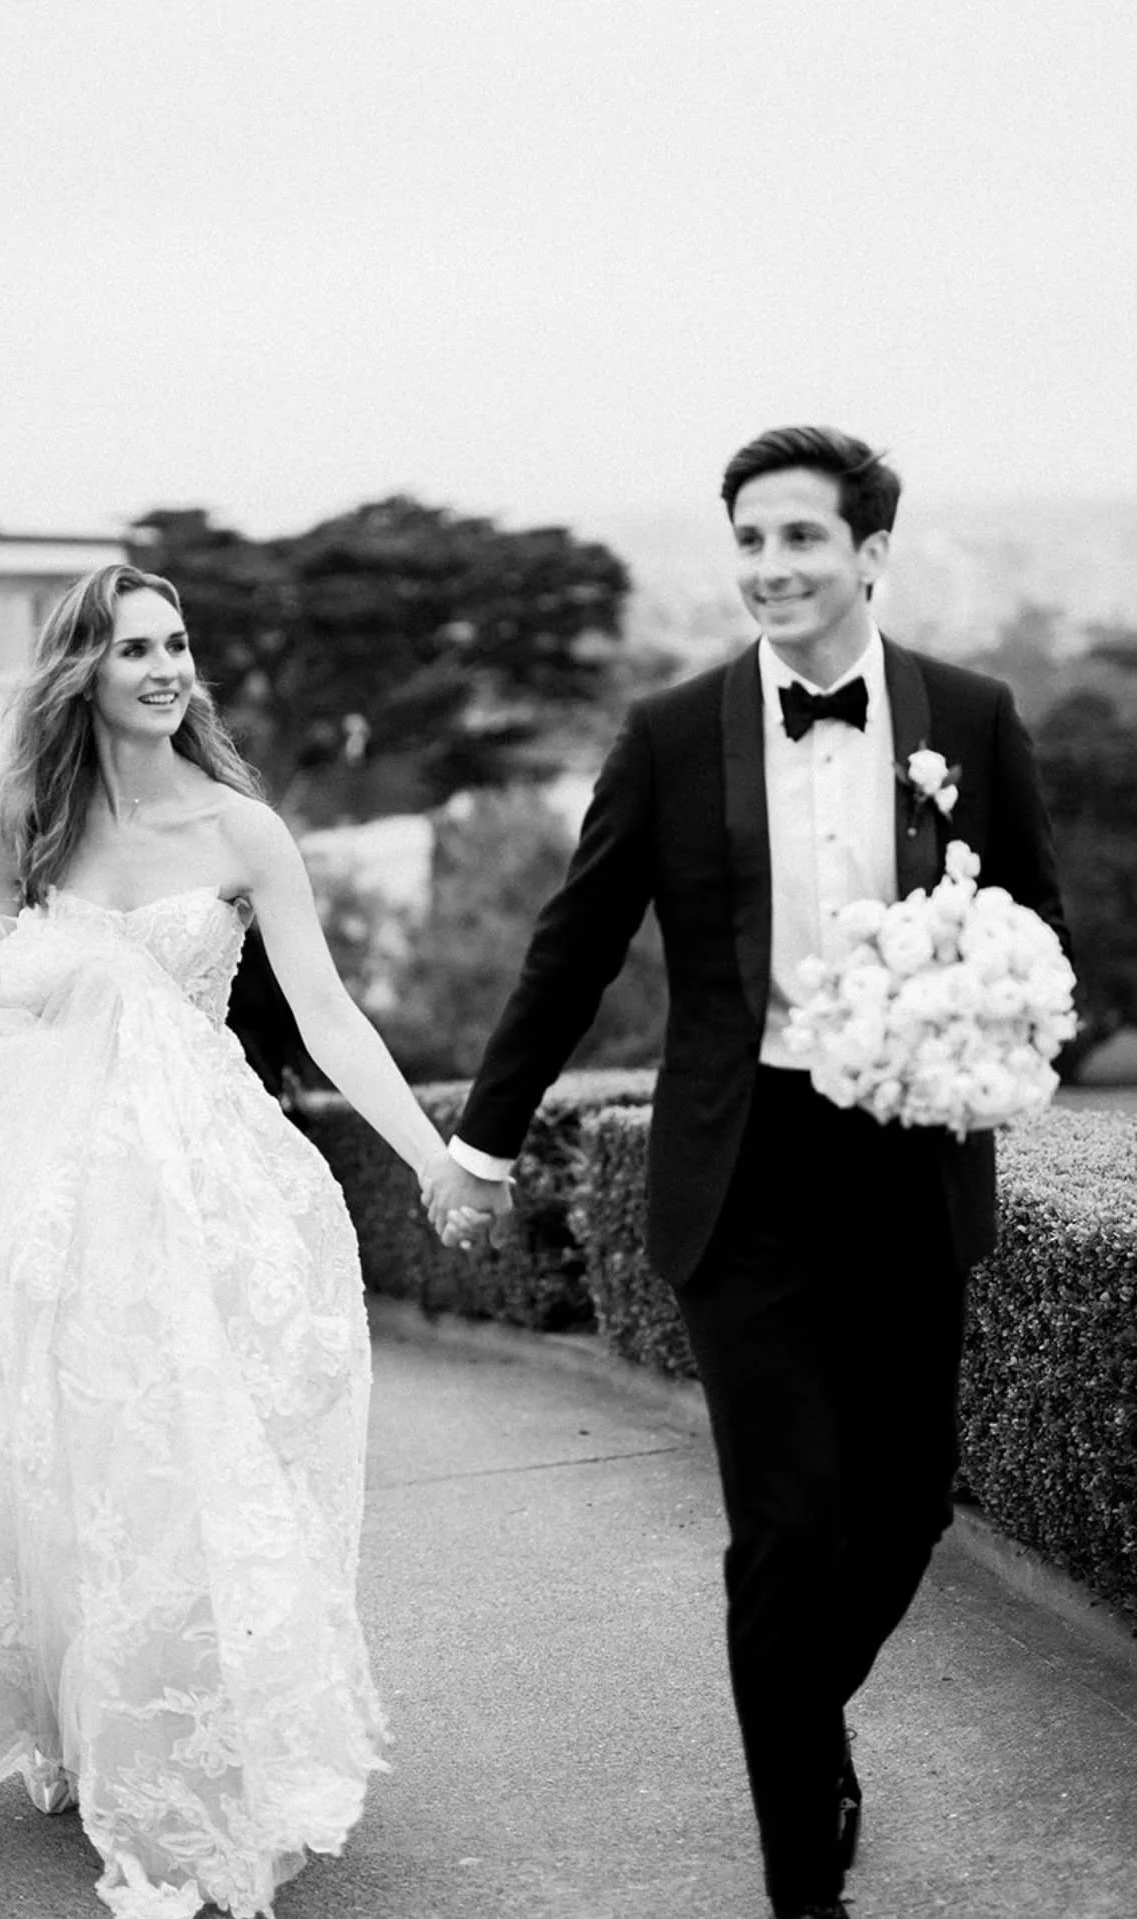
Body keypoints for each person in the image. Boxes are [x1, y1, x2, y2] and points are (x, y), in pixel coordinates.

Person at [0, 563, 466, 1919]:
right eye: (136, 650)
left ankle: (205, 1736)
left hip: (209, 1180)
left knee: (200, 1453)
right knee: (64, 1458)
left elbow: (332, 1015)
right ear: (83, 673)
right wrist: (63, 998)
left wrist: (431, 1156)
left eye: (179, 645)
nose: (168, 668)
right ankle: (76, 1710)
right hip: (51, 1189)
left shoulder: (245, 829)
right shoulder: (18, 821)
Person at [423, 427, 1067, 1919]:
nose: (770, 568)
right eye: (750, 541)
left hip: (910, 1167)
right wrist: (484, 1138)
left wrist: (980, 1022)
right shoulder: (668, 731)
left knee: (906, 1500)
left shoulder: (971, 716)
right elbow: (574, 945)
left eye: (799, 539)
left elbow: (1035, 923)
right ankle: (802, 1885)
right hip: (743, 1176)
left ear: (869, 554)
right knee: (784, 1526)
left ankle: (800, 1717)